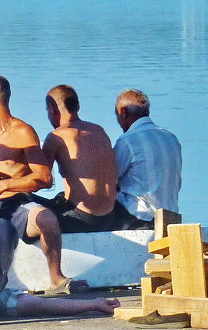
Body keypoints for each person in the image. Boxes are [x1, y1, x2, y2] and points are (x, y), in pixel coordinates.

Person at [0, 76, 83, 294]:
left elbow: (44, 178)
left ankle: (56, 279)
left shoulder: (22, 131)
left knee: (46, 218)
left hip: (15, 205)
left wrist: (5, 185)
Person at [40, 85, 140, 233]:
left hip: (82, 217)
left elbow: (42, 180)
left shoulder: (56, 136)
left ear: (52, 109)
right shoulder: (99, 131)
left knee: (25, 204)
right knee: (61, 197)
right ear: (77, 106)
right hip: (111, 215)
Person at [113, 89, 182, 224]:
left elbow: (109, 177)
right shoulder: (171, 138)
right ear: (147, 112)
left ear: (123, 112)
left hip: (140, 218)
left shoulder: (128, 140)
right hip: (171, 216)